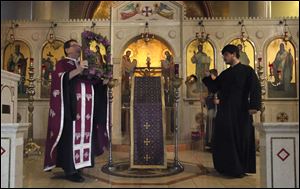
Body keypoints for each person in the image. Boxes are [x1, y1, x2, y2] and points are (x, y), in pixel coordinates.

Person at [44, 39, 108, 182]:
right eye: (74, 45)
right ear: (67, 50)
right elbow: (59, 80)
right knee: (69, 139)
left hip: (86, 112)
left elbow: (91, 83)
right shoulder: (62, 64)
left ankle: (80, 165)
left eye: (79, 45)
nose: (79, 47)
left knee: (84, 135)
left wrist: (102, 82)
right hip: (70, 110)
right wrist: (78, 70)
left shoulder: (84, 64)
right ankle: (70, 170)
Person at [202, 44, 261, 178]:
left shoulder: (248, 71)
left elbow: (255, 89)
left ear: (233, 54)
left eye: (226, 55)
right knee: (224, 137)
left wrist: (254, 106)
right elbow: (215, 87)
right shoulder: (225, 73)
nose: (224, 58)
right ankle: (227, 167)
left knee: (241, 137)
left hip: (241, 110)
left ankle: (240, 167)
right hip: (225, 110)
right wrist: (207, 78)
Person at [204, 69, 218, 150]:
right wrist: (205, 100)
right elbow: (210, 96)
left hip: (217, 110)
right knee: (210, 127)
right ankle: (209, 144)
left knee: (214, 127)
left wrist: (218, 101)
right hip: (211, 108)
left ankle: (214, 144)